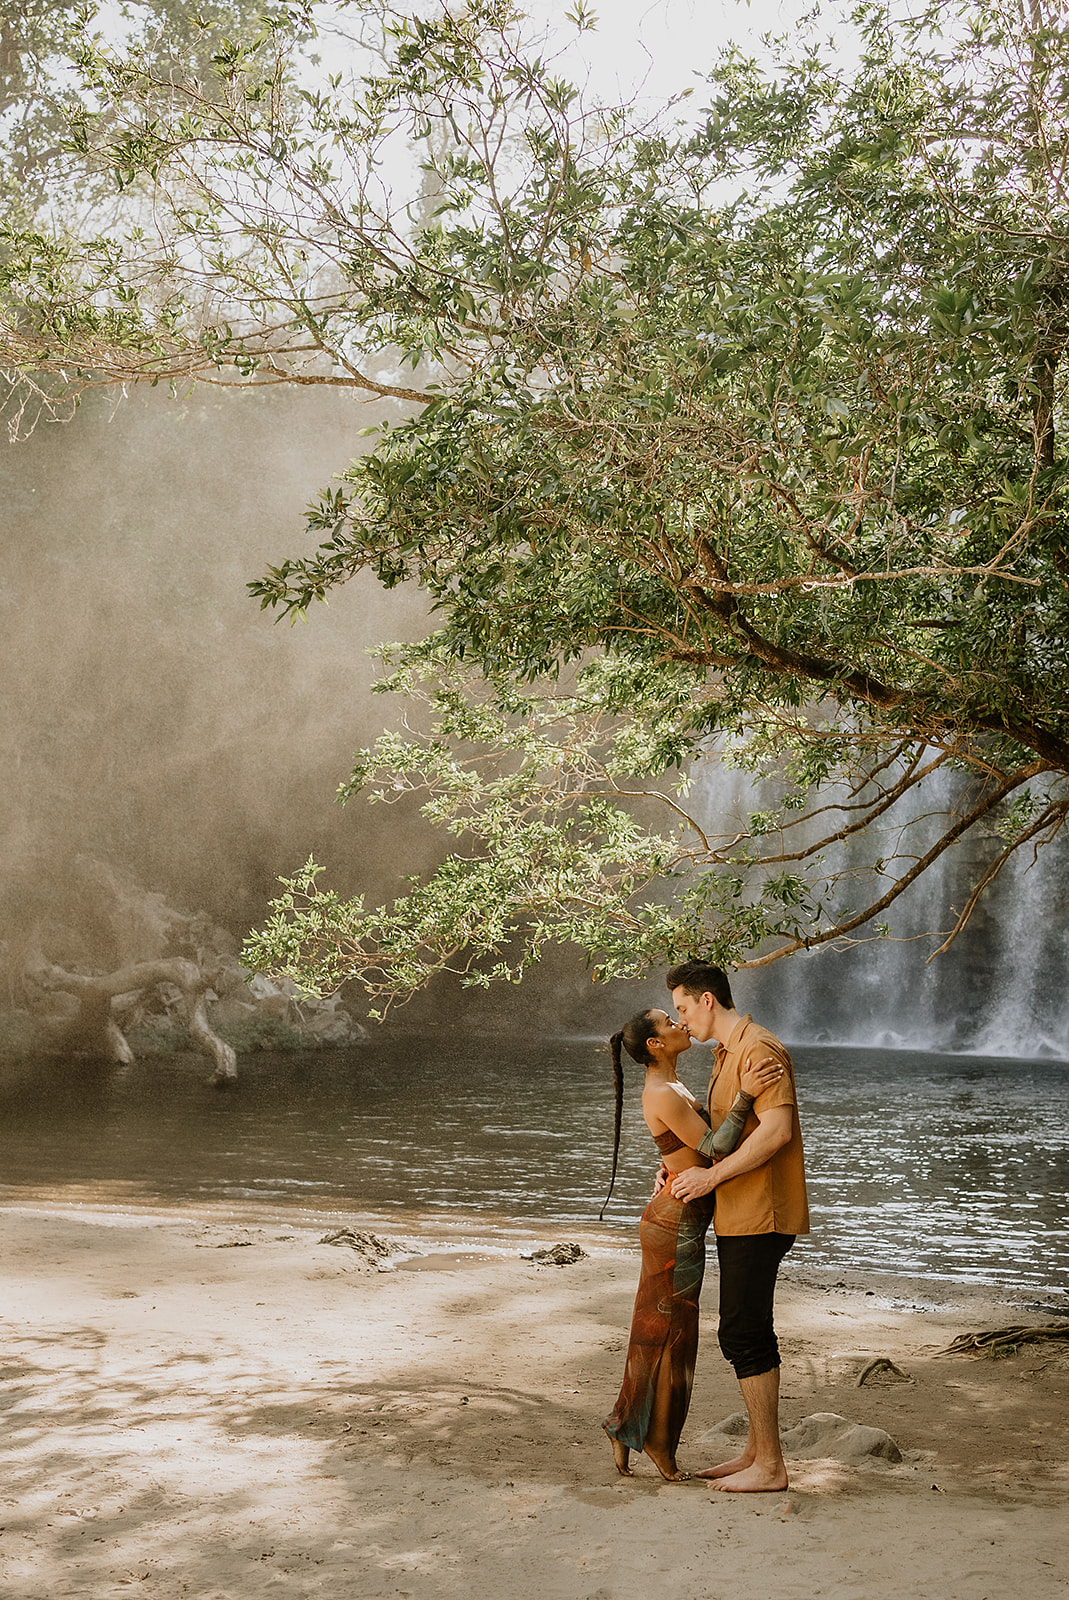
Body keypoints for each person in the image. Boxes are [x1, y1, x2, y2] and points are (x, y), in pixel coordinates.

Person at [602, 1008, 783, 1482]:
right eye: (669, 1021)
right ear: (655, 1045)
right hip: (675, 1224)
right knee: (670, 1335)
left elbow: (685, 1150)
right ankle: (656, 1441)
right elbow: (714, 1149)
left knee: (658, 1331)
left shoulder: (675, 1086)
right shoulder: (662, 1091)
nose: (681, 1024)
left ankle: (625, 1427)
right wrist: (747, 1094)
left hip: (678, 1217)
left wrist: (671, 1163)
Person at [668, 959, 809, 1493]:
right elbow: (723, 1133)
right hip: (738, 1211)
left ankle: (771, 1466)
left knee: (743, 1331)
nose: (681, 1021)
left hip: (761, 1211)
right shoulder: (727, 1054)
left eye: (683, 1007)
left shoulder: (758, 1049)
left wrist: (711, 1180)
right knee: (742, 1329)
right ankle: (756, 1451)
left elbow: (776, 1133)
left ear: (708, 1000)